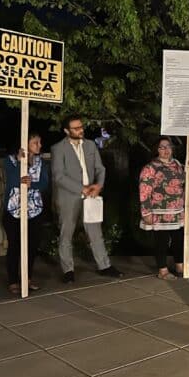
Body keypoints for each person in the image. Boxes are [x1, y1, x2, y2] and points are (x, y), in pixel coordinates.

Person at [51, 114, 123, 283]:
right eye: (76, 128)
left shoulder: (91, 145)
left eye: (81, 126)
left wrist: (98, 186)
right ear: (66, 130)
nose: (80, 130)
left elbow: (100, 168)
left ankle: (104, 266)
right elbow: (58, 176)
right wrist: (81, 188)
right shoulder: (58, 148)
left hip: (91, 195)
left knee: (95, 232)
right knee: (66, 233)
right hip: (69, 197)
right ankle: (68, 270)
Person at [138, 137, 189, 280]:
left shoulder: (177, 164)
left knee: (178, 239)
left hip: (177, 210)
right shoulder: (150, 168)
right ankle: (162, 270)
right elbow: (144, 190)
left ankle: (180, 265)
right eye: (162, 147)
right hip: (159, 211)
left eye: (168, 146)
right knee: (161, 241)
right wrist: (146, 212)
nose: (166, 150)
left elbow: (188, 180)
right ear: (156, 150)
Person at [2, 133, 49, 294]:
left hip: (34, 211)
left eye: (40, 142)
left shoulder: (40, 161)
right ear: (25, 143)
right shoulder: (10, 161)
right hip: (13, 211)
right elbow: (14, 180)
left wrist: (32, 184)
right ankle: (13, 281)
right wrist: (21, 161)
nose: (39, 145)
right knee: (14, 246)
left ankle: (27, 279)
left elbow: (44, 183)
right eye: (35, 142)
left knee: (31, 246)